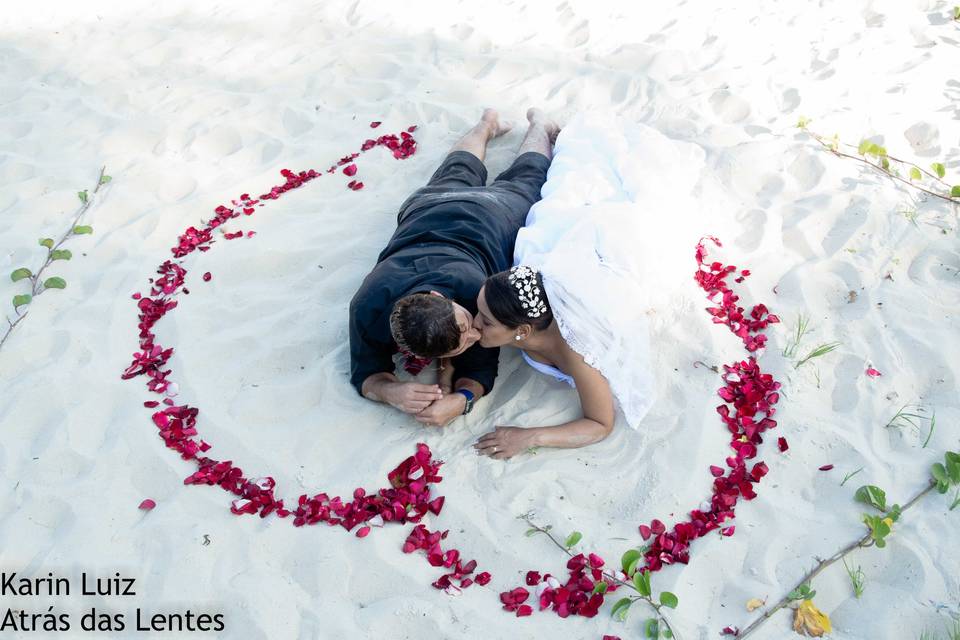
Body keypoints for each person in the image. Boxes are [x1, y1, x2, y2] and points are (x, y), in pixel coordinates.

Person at [471, 113, 708, 459]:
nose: (475, 323)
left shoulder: (579, 353)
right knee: (568, 190)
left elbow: (599, 423)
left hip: (616, 265)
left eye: (485, 320)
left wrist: (530, 436)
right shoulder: (512, 315)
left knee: (593, 190)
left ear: (521, 331)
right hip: (571, 261)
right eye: (479, 313)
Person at [349, 107, 560, 427]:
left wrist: (463, 400)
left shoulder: (476, 293)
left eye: (467, 323)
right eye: (466, 339)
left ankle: (539, 126)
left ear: (440, 296)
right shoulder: (367, 307)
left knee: (528, 178)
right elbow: (366, 376)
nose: (477, 330)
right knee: (457, 168)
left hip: (491, 218)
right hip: (430, 203)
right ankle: (487, 123)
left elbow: (479, 371)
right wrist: (392, 391)